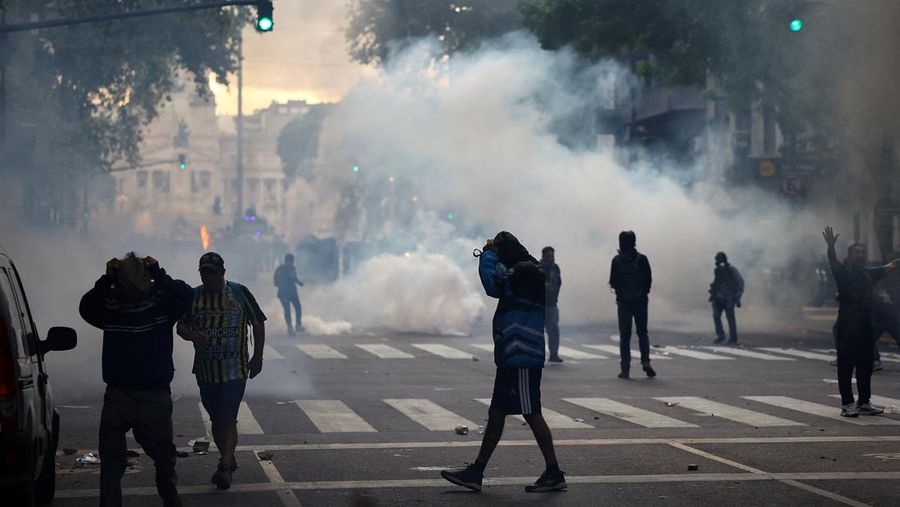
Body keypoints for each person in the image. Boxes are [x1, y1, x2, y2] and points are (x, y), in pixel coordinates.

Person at [442, 232, 566, 493]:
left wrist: (487, 255)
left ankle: (553, 472)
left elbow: (493, 285)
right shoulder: (528, 269)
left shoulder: (523, 272)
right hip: (515, 354)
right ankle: (476, 471)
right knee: (497, 413)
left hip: (520, 354)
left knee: (531, 413)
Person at [79, 253, 194, 507]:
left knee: (161, 456)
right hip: (126, 393)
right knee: (114, 460)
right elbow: (86, 307)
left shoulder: (148, 303)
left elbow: (187, 296)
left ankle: (169, 498)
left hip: (143, 394)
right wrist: (154, 273)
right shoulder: (116, 304)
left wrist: (110, 280)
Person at [176, 252, 267, 490]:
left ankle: (224, 467)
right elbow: (181, 327)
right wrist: (194, 335)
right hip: (206, 371)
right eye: (204, 273)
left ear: (223, 273)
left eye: (212, 273)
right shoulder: (194, 296)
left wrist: (258, 356)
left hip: (234, 369)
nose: (208, 278)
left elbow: (257, 322)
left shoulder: (239, 292)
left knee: (227, 417)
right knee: (216, 418)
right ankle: (228, 456)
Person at [822, 226, 899, 417]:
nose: (861, 255)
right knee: (846, 367)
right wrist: (831, 246)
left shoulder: (870, 273)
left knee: (865, 366)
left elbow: (890, 266)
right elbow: (832, 260)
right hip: (847, 327)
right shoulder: (843, 273)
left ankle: (864, 402)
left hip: (865, 327)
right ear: (849, 256)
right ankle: (847, 404)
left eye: (863, 252)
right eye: (857, 252)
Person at [608, 230, 655, 379]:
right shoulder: (642, 259)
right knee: (642, 333)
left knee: (625, 336)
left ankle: (625, 368)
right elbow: (648, 280)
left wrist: (623, 293)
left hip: (624, 303)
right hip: (640, 301)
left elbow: (613, 281)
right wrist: (641, 294)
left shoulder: (616, 260)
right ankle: (646, 362)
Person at [709, 252, 744, 344]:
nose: (716, 262)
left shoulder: (732, 270)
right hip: (718, 297)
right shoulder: (717, 270)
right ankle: (721, 335)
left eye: (718, 259)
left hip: (729, 297)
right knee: (716, 316)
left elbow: (740, 282)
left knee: (730, 317)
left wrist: (738, 296)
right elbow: (716, 283)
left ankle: (733, 337)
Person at [273, 253, 304, 336]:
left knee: (297, 308)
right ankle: (290, 327)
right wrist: (299, 283)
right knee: (288, 310)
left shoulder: (280, 268)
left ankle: (297, 325)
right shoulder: (288, 268)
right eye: (291, 261)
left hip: (288, 292)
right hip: (286, 292)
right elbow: (293, 277)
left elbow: (275, 281)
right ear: (289, 261)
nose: (292, 263)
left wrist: (299, 283)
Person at [541, 246, 562, 363]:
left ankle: (554, 354)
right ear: (543, 256)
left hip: (552, 304)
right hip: (541, 304)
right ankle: (539, 354)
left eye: (552, 256)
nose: (551, 258)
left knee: (553, 329)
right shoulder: (539, 267)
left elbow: (558, 283)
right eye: (549, 256)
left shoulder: (555, 268)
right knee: (539, 331)